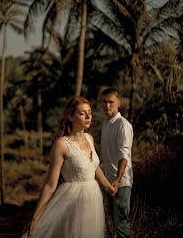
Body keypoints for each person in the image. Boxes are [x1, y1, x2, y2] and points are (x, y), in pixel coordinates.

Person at [22, 96, 117, 238]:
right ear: (70, 117)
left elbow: (93, 166)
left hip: (93, 200)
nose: (88, 117)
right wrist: (36, 216)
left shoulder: (89, 138)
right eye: (82, 113)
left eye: (89, 112)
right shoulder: (62, 144)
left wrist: (108, 186)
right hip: (73, 200)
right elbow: (50, 183)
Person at [101, 88, 134, 238]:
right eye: (105, 102)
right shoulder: (106, 125)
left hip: (120, 182)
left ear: (118, 103)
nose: (107, 105)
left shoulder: (123, 125)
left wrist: (118, 179)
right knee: (115, 223)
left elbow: (124, 155)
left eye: (111, 102)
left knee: (121, 224)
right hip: (109, 182)